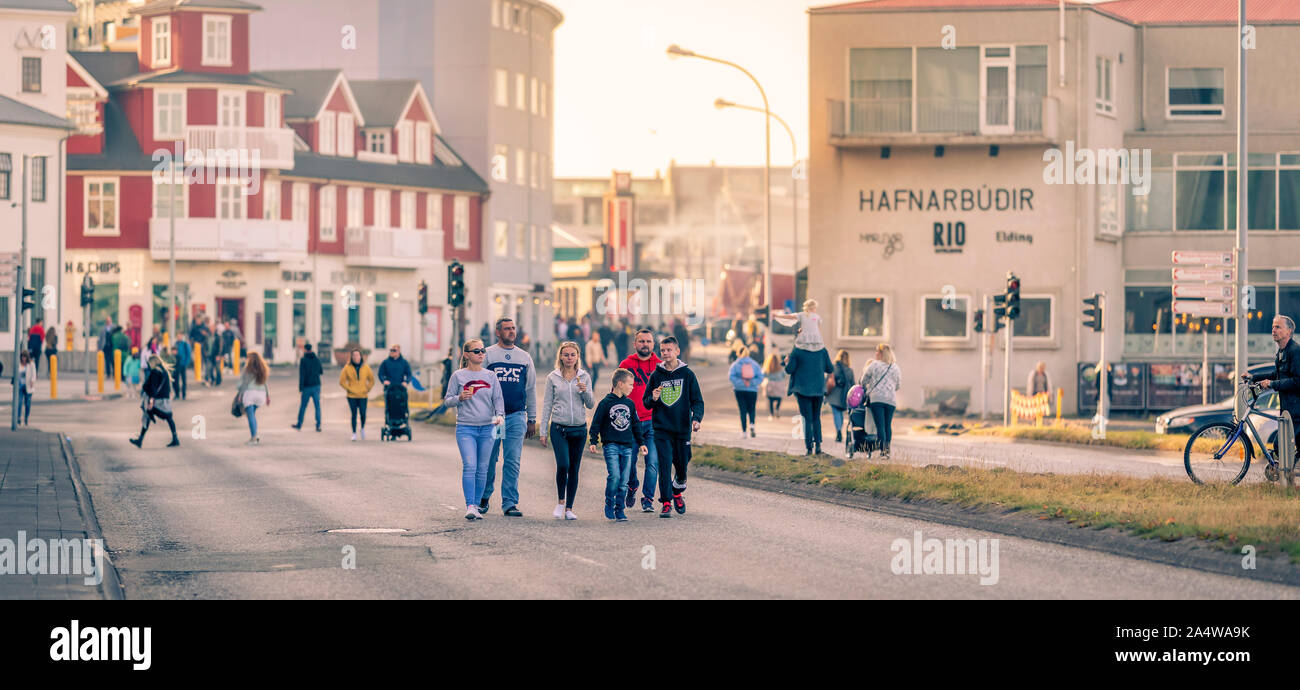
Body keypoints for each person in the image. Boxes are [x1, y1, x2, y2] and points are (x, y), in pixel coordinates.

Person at [480, 317, 537, 517]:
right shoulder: (488, 355)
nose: (511, 332)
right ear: (498, 332)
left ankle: (510, 503)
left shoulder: (524, 358)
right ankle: (483, 497)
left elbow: (530, 389)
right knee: (489, 459)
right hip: (495, 418)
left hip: (517, 416)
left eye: (513, 328)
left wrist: (532, 419)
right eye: (507, 329)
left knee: (513, 461)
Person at [642, 336, 704, 518]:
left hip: (682, 428)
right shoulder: (656, 375)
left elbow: (697, 400)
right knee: (664, 464)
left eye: (669, 350)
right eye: (662, 351)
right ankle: (666, 502)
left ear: (677, 351)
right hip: (661, 429)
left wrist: (697, 418)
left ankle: (677, 491)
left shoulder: (687, 374)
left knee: (682, 465)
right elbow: (646, 403)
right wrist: (652, 398)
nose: (665, 354)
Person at [445, 338, 505, 520]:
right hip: (466, 428)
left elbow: (498, 400)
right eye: (476, 351)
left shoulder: (490, 376)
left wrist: (500, 416)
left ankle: (477, 506)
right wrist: (459, 398)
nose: (481, 354)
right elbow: (447, 400)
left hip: (488, 428)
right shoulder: (458, 376)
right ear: (466, 354)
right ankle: (470, 505)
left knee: (483, 468)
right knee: (470, 466)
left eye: (482, 350)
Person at [539, 341, 594, 520]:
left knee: (575, 468)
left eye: (573, 355)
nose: (569, 358)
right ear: (560, 357)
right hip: (559, 428)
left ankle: (569, 508)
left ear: (578, 356)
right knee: (563, 465)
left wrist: (584, 392)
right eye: (566, 355)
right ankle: (560, 503)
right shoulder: (552, 377)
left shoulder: (584, 376)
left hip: (579, 429)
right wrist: (542, 431)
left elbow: (591, 404)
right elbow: (547, 404)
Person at [589, 368, 647, 522]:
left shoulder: (630, 403)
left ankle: (619, 509)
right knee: (614, 476)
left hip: (627, 447)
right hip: (611, 446)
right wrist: (593, 441)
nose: (632, 387)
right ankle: (609, 502)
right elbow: (596, 424)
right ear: (620, 384)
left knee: (624, 481)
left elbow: (635, 425)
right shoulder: (605, 403)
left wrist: (641, 443)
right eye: (630, 384)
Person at [619, 328, 662, 512]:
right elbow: (618, 391)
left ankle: (648, 499)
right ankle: (632, 484)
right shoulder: (626, 364)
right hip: (631, 422)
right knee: (628, 463)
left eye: (648, 341)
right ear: (635, 344)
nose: (645, 344)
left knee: (652, 462)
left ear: (654, 344)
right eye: (641, 341)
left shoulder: (661, 366)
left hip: (653, 422)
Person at [1243, 315, 1300, 453]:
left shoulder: (1295, 351)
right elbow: (1276, 374)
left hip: (1297, 411)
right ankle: (1285, 473)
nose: (1273, 330)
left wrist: (1272, 384)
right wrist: (1253, 377)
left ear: (1289, 331)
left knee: (1280, 448)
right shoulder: (1281, 352)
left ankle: (1285, 473)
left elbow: (1297, 381)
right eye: (1273, 327)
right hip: (1288, 409)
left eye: (1278, 327)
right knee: (1281, 448)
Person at [784, 338, 833, 456]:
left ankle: (809, 447)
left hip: (802, 389)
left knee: (807, 418)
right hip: (818, 389)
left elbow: (789, 369)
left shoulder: (797, 350)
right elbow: (830, 368)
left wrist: (787, 361)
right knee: (816, 417)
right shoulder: (822, 350)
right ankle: (818, 446)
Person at [859, 343, 901, 459]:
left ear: (881, 354)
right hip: (891, 400)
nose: (875, 353)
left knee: (880, 426)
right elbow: (898, 385)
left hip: (877, 399)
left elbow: (863, 380)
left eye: (877, 351)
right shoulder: (895, 367)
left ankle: (883, 452)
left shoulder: (874, 365)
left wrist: (867, 386)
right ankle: (887, 451)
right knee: (888, 425)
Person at [129, 355, 179, 448]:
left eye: (149, 363)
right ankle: (175, 438)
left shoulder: (155, 372)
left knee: (147, 415)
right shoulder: (164, 371)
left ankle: (140, 440)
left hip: (158, 401)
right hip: (165, 401)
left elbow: (153, 388)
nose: (148, 365)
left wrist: (151, 401)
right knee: (168, 417)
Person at [339, 348, 375, 441]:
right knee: (354, 414)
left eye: (357, 355)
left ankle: (362, 428)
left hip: (363, 395)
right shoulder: (347, 367)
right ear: (351, 357)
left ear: (360, 356)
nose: (356, 357)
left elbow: (371, 380)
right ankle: (354, 433)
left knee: (363, 413)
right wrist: (349, 389)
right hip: (351, 396)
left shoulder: (366, 367)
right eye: (354, 355)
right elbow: (342, 381)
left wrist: (367, 389)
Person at [728, 346, 764, 438]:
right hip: (752, 390)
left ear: (738, 353)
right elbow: (760, 377)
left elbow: (731, 377)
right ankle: (752, 424)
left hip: (739, 390)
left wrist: (741, 383)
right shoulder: (754, 364)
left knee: (742, 410)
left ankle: (744, 432)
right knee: (752, 408)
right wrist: (751, 383)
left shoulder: (735, 364)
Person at [238, 351, 270, 445]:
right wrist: (268, 396)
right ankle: (255, 435)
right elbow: (265, 383)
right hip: (261, 395)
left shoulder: (248, 369)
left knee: (250, 415)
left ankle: (254, 438)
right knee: (252, 415)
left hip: (250, 394)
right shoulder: (262, 369)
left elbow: (245, 383)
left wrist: (240, 395)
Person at [293, 343, 324, 432]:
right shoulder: (317, 359)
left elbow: (302, 375)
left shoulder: (303, 360)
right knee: (317, 406)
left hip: (307, 386)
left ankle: (299, 424)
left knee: (303, 406)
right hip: (316, 385)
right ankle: (318, 425)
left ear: (305, 350)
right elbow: (321, 371)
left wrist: (301, 388)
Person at [829, 349, 854, 443]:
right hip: (844, 395)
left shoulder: (834, 367)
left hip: (834, 394)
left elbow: (828, 379)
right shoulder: (850, 370)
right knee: (841, 413)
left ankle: (838, 430)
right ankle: (840, 429)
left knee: (836, 413)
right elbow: (853, 384)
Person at [762, 350, 787, 419]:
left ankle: (771, 414)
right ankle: (777, 408)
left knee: (770, 400)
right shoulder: (780, 368)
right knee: (779, 398)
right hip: (779, 385)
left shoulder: (767, 367)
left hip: (770, 385)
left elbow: (763, 375)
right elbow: (784, 375)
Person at [16, 351, 35, 425]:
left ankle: (26, 417)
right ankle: (18, 418)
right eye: (22, 356)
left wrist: (32, 381)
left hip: (28, 386)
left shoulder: (31, 364)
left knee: (27, 404)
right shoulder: (18, 364)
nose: (23, 358)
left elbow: (34, 374)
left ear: (27, 357)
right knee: (19, 402)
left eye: (24, 356)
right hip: (20, 386)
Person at [172, 336, 191, 400]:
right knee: (175, 380)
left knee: (183, 380)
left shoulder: (185, 344)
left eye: (180, 336)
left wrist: (186, 363)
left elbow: (188, 354)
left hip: (183, 365)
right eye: (178, 335)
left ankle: (183, 394)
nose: (179, 337)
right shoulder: (175, 343)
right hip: (176, 365)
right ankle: (177, 394)